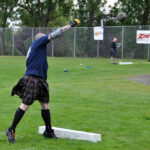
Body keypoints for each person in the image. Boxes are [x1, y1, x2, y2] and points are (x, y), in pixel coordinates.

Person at [6, 19, 80, 143]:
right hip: (33, 79)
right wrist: (71, 25)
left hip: (40, 81)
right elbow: (56, 33)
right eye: (45, 38)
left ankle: (48, 130)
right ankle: (11, 130)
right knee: (25, 105)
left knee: (45, 105)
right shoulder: (38, 42)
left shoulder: (35, 50)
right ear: (40, 39)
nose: (47, 40)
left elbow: (26, 65)